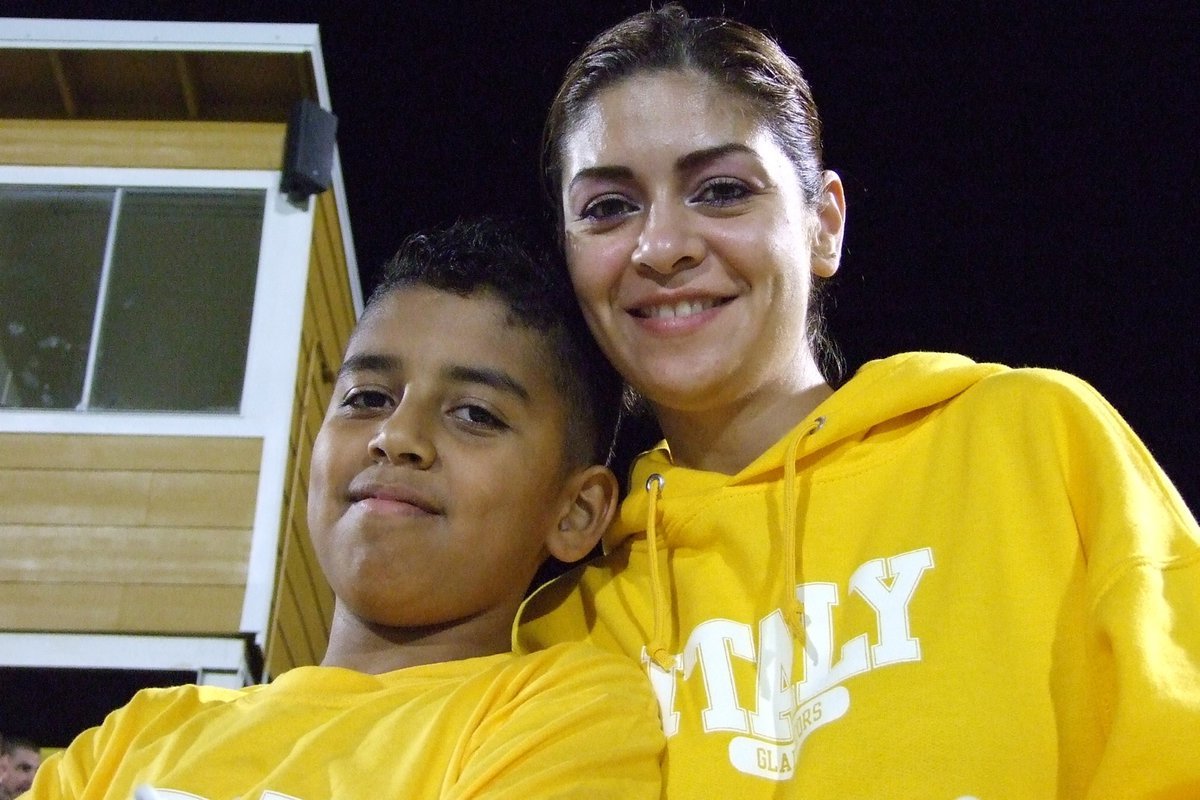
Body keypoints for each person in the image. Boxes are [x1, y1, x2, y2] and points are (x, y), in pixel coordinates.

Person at [516, 4, 1200, 798]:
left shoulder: (1031, 443)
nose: (662, 247)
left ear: (824, 224)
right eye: (608, 207)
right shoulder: (562, 634)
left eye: (722, 191)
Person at [25, 218, 664, 799]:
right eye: (367, 398)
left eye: (474, 414)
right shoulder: (136, 736)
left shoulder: (567, 715)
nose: (396, 435)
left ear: (576, 512)